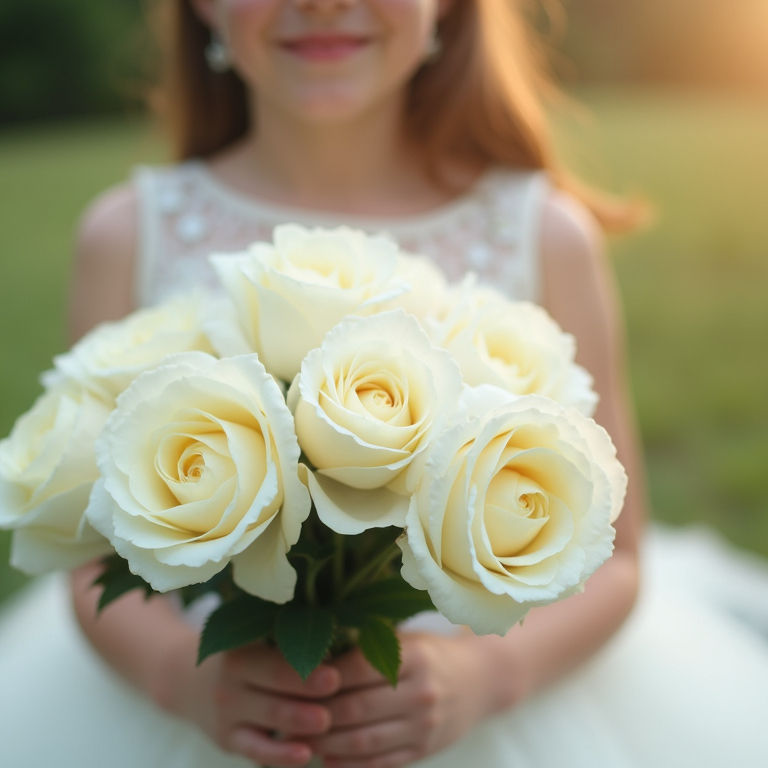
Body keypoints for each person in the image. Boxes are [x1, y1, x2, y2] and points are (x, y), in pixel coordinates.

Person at [0, 1, 767, 767]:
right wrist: (181, 677)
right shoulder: (130, 236)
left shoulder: (544, 236)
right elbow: (92, 554)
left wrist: (487, 673)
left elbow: (623, 561)